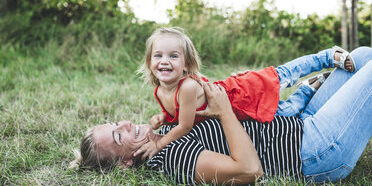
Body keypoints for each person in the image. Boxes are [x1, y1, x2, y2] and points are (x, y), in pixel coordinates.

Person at [71, 46, 372, 184]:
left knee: (360, 56)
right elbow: (250, 171)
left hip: (300, 124)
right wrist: (225, 112)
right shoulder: (173, 159)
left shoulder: (166, 132)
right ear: (125, 163)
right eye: (117, 135)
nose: (124, 123)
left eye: (114, 123)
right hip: (315, 152)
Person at [136, 27, 355, 159]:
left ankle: (327, 56)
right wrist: (164, 117)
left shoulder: (187, 87)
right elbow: (183, 113)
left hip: (241, 94)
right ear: (149, 61)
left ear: (186, 65)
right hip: (239, 111)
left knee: (284, 74)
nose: (164, 61)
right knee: (286, 113)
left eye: (173, 56)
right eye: (158, 56)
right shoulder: (160, 89)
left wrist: (159, 143)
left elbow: (184, 126)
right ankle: (308, 88)